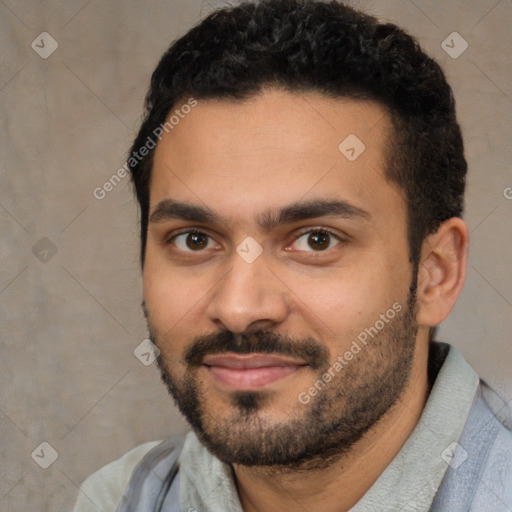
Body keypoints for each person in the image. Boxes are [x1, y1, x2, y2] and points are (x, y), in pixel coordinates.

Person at [73, 0, 512, 510]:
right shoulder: (120, 500)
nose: (239, 308)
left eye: (315, 240)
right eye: (195, 239)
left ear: (435, 275)